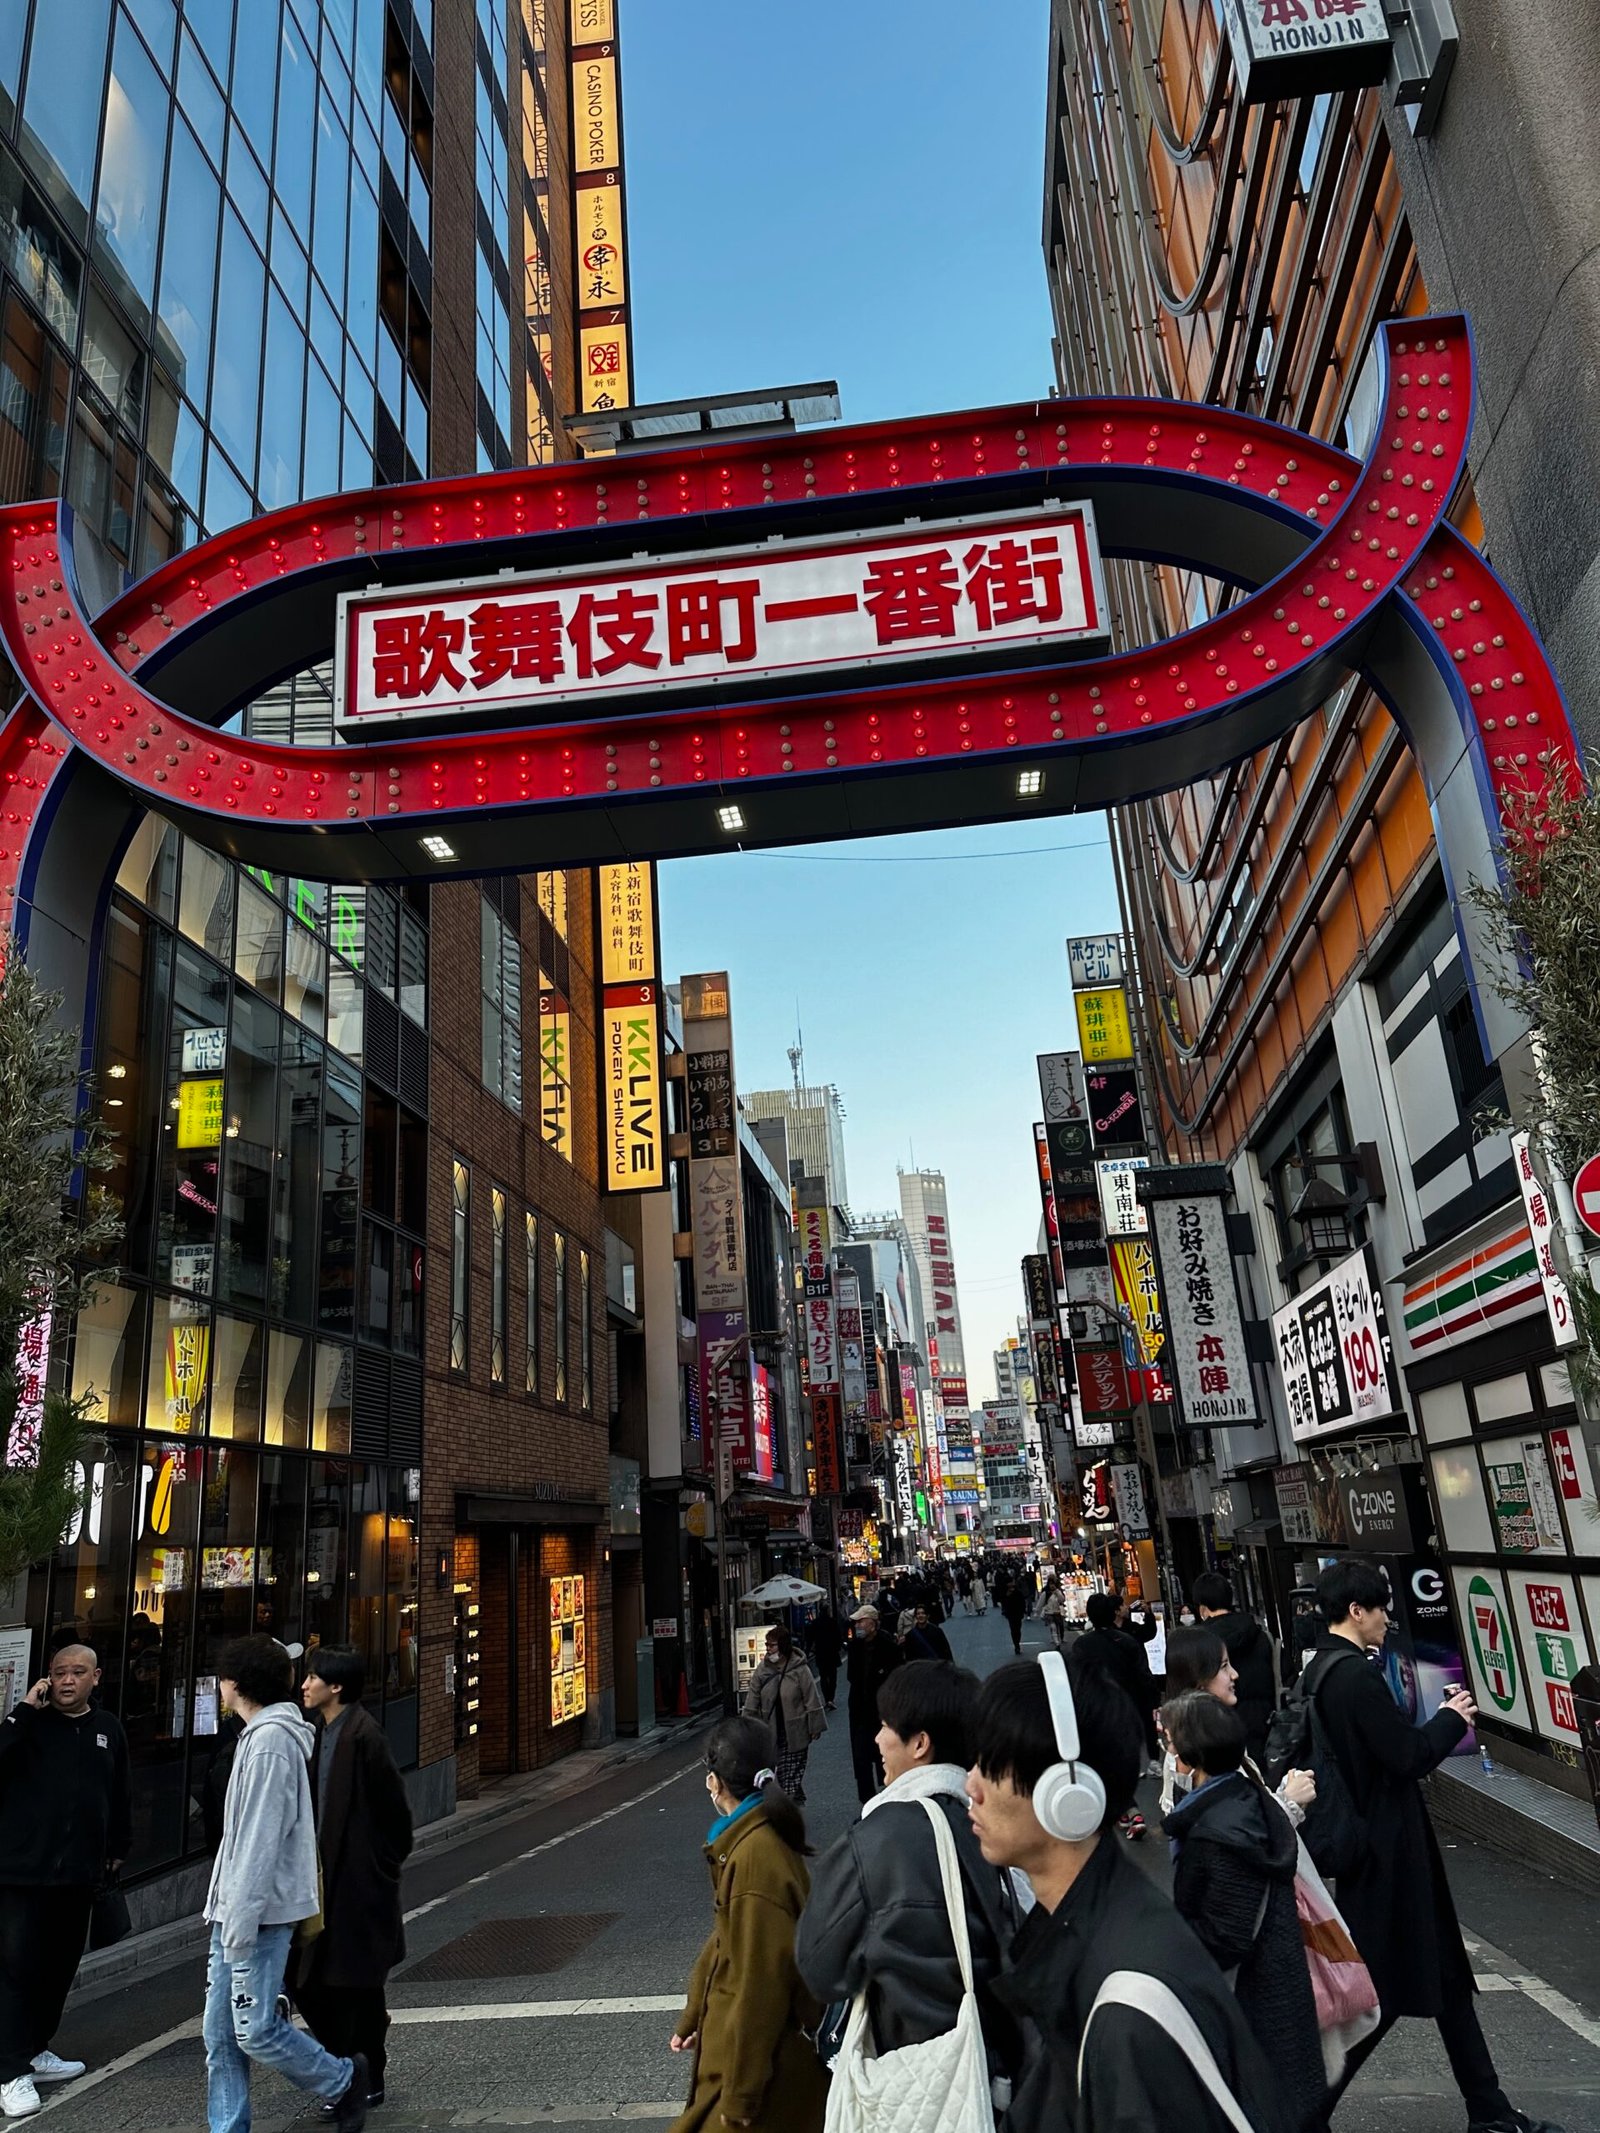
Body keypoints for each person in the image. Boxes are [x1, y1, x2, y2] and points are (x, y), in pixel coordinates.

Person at [966, 1655, 1292, 2133]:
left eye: (988, 1766)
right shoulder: (1101, 1931)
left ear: (1067, 1795)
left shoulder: (1128, 2011)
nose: (970, 1785)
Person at [1310, 1562, 1560, 2133]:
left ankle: (1489, 2109)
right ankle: (1305, 2110)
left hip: (1379, 1848)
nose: (1386, 1618)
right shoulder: (1353, 1677)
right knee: (1382, 1991)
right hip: (1389, 1854)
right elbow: (1405, 1756)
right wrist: (1451, 1719)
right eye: (1380, 1608)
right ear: (1356, 1611)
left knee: (1446, 1980)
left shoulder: (1321, 1670)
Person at [797, 1660, 1022, 2101]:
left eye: (886, 1726)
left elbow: (819, 1968)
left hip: (910, 2073)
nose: (878, 1739)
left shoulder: (879, 1837)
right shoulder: (990, 1829)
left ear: (920, 1743)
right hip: (994, 2066)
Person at [203, 1634, 370, 2133]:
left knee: (254, 2031)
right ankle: (228, 2127)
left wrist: (240, 1920)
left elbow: (260, 1838)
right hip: (240, 1908)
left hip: (257, 1912)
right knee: (221, 2036)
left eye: (222, 1678)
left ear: (236, 1683)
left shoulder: (270, 1743)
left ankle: (343, 2079)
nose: (219, 1686)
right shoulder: (259, 1736)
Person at [1160, 1693, 1327, 2133]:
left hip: (1251, 2010)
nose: (1168, 1750)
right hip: (1279, 1996)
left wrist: (1168, 1941)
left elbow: (1226, 1937)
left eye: (1170, 1741)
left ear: (1191, 1755)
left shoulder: (1216, 1833)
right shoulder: (1245, 1801)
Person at [668, 1717, 826, 2133]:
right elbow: (726, 1937)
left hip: (755, 2068)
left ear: (714, 1783)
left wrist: (742, 2094)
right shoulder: (752, 1837)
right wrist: (694, 2014)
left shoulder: (755, 1856)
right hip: (741, 2051)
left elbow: (761, 1985)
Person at [0, 1646, 130, 2121]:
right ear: (47, 1679)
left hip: (79, 1873)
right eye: (59, 1673)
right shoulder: (29, 1724)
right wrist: (21, 1712)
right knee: (15, 1969)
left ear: (96, 1677)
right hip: (22, 1872)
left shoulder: (107, 1727)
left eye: (77, 1672)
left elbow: (120, 1790)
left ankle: (35, 2049)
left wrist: (119, 1845)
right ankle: (9, 2072)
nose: (67, 1680)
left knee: (58, 1968)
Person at [293, 1647, 413, 2111]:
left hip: (357, 1884)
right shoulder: (320, 1732)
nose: (305, 1684)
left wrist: (379, 1868)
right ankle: (348, 2070)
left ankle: (364, 2075)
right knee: (311, 1981)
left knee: (357, 1985)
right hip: (324, 1880)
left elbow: (396, 1814)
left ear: (337, 1686)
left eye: (313, 1677)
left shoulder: (364, 1734)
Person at [1158, 1626, 1317, 1825]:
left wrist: (1284, 1794)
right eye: (1224, 1666)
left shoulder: (1208, 1736)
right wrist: (1289, 1800)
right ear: (1200, 1680)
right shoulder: (1195, 1753)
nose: (1234, 1674)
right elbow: (1239, 1832)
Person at [1069, 1593, 1158, 1834]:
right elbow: (1143, 1675)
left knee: (1105, 1761)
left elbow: (1077, 1681)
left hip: (1096, 1711)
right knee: (1122, 1760)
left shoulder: (1082, 1646)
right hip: (1129, 1707)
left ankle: (1128, 1810)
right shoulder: (1126, 1641)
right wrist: (1153, 1701)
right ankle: (1128, 1810)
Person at [1193, 1573, 1280, 1764]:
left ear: (1203, 1609)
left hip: (1221, 1724)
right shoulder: (1259, 1633)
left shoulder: (1201, 1642)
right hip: (1264, 1720)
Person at [742, 1627, 826, 1802]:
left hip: (796, 1730)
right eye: (767, 1645)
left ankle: (787, 1806)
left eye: (772, 1645)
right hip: (770, 1730)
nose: (768, 1649)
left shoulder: (799, 1669)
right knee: (780, 1772)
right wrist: (746, 1726)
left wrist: (815, 1726)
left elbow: (811, 1697)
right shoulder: (763, 1669)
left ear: (783, 1645)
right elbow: (752, 1698)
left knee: (790, 1772)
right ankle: (794, 1799)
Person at [844, 1605, 901, 1802]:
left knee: (884, 1755)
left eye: (861, 1621)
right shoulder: (854, 1646)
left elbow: (896, 1677)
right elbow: (851, 1676)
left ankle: (888, 1795)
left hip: (882, 1711)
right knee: (861, 1758)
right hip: (859, 1710)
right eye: (856, 1622)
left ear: (873, 1623)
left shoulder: (888, 1646)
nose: (858, 1625)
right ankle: (867, 1801)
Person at [808, 1606, 844, 1712]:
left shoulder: (815, 1623)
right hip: (832, 1653)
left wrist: (808, 1651)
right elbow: (838, 1636)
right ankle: (831, 1699)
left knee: (823, 1677)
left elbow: (810, 1638)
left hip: (821, 1653)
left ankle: (827, 1699)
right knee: (833, 1677)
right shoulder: (832, 1622)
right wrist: (839, 1647)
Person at [1000, 1573, 1029, 1657]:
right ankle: (1016, 1645)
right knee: (1013, 1629)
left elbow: (1022, 1601)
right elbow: (1003, 1602)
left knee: (1018, 1629)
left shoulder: (1017, 1591)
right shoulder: (1005, 1592)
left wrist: (1023, 1610)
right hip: (1010, 1613)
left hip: (1018, 1612)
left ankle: (1017, 1642)